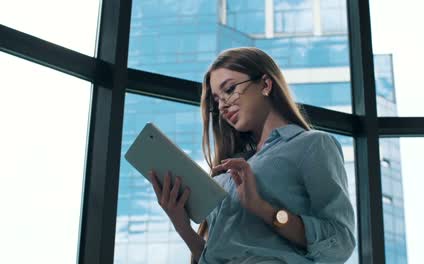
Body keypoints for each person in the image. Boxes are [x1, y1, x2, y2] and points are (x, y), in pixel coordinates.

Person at [148, 47, 356, 264]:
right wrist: (182, 225)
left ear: (265, 84)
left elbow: (341, 242)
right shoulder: (228, 170)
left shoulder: (312, 145)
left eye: (229, 89)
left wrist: (262, 208)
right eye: (217, 101)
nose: (222, 105)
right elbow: (218, 256)